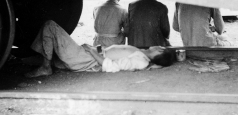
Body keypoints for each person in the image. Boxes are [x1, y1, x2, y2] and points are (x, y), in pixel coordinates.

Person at [25, 20, 176, 78]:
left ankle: (45, 67)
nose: (158, 45)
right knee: (51, 56)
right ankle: (46, 64)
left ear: (160, 51)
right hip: (88, 54)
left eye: (161, 47)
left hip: (87, 59)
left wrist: (91, 52)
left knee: (50, 26)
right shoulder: (140, 53)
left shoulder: (141, 61)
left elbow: (111, 67)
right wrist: (93, 48)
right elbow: (108, 52)